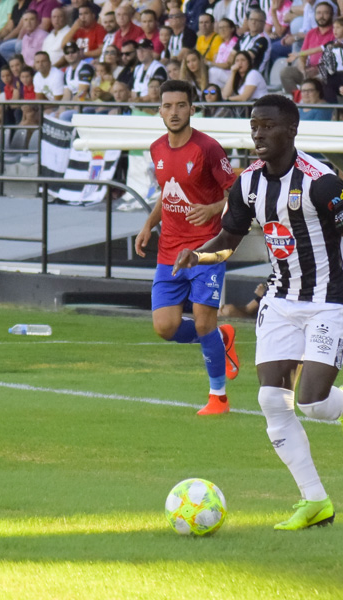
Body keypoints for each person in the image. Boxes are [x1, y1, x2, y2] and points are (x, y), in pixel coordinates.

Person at [171, 94, 343, 531]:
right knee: (270, 401)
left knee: (313, 403)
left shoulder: (322, 182)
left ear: (291, 130)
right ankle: (314, 501)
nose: (259, 133)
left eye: (268, 126)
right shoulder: (246, 184)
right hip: (279, 300)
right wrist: (199, 256)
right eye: (254, 125)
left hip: (328, 301)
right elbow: (229, 238)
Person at [134, 80, 240, 416]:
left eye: (181, 105)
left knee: (203, 321)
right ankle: (221, 340)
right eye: (168, 106)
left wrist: (212, 209)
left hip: (206, 249)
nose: (174, 112)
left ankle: (218, 398)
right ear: (160, 110)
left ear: (192, 109)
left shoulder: (208, 148)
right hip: (169, 249)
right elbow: (168, 193)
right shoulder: (157, 149)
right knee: (164, 326)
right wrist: (148, 224)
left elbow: (236, 192)